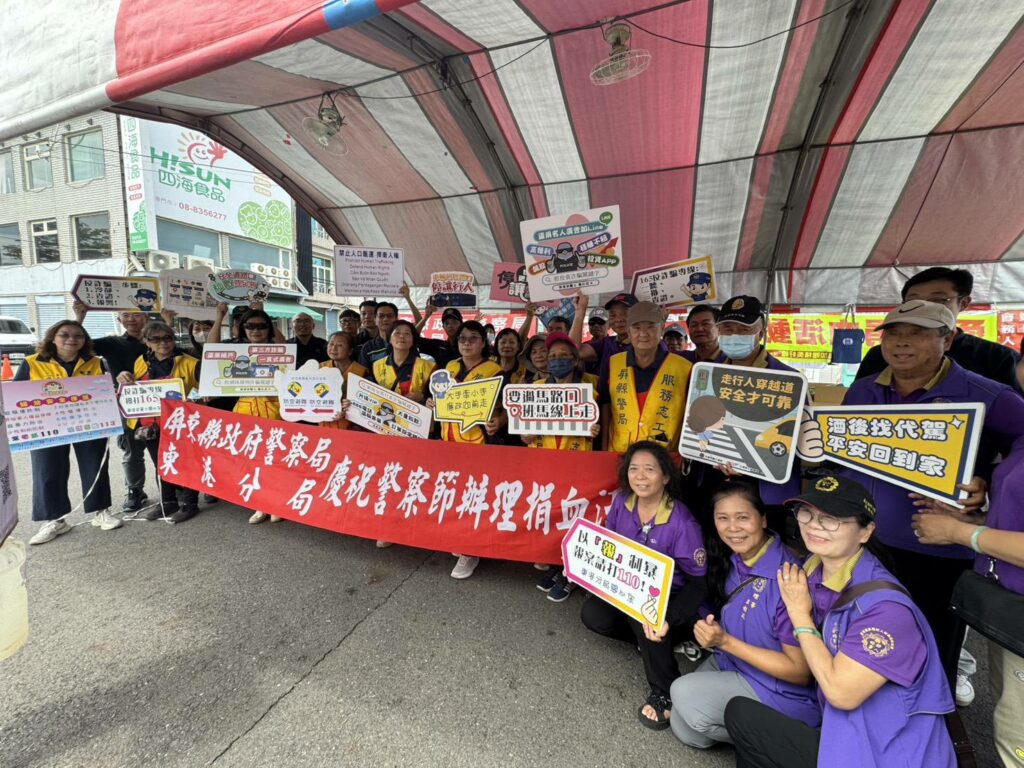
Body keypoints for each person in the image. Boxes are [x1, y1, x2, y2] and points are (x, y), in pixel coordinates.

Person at [831, 300, 1024, 683]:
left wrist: (984, 482)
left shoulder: (987, 395)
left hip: (941, 550)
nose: (902, 343)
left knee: (933, 646)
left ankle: (937, 731)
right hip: (869, 542)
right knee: (871, 637)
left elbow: (1020, 449)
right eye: (894, 334)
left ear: (948, 339)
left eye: (918, 333)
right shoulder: (864, 391)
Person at [724, 474, 956, 768]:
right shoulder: (811, 573)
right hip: (842, 730)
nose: (814, 525)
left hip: (882, 752)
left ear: (865, 531)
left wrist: (799, 614)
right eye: (807, 513)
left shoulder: (887, 611)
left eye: (832, 518)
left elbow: (840, 693)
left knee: (743, 716)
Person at [669, 482, 817, 749]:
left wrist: (724, 642)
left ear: (762, 519)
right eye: (722, 518)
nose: (732, 528)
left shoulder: (788, 579)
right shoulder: (735, 558)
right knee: (686, 729)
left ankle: (787, 741)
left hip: (779, 688)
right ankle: (751, 727)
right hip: (735, 662)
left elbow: (800, 672)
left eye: (742, 518)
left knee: (682, 693)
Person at [914, 436, 1024, 768]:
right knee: (1008, 722)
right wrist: (976, 519)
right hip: (1008, 612)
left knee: (1017, 737)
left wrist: (961, 534)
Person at [581, 442, 706, 730]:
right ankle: (656, 640)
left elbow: (699, 583)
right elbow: (608, 548)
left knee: (647, 618)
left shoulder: (682, 522)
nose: (640, 476)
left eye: (649, 469)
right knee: (593, 615)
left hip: (672, 597)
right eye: (634, 469)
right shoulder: (622, 502)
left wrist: (669, 618)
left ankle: (665, 692)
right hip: (632, 588)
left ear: (665, 477)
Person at [18, 321, 119, 544]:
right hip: (46, 428)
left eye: (78, 335)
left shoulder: (96, 362)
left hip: (89, 424)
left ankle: (100, 511)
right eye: (64, 335)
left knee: (95, 466)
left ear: (85, 340)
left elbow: (107, 390)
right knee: (47, 470)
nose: (71, 339)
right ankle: (55, 520)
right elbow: (16, 396)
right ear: (52, 338)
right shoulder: (32, 363)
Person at [855, 267, 1021, 391]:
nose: (925, 307)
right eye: (914, 301)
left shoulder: (999, 358)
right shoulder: (880, 356)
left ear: (963, 303)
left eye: (938, 300)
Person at [426, 320, 505, 580]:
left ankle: (470, 550)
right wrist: (431, 402)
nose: (467, 343)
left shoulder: (496, 371)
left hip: (478, 444)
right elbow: (440, 398)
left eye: (473, 338)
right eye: (462, 338)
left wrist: (500, 421)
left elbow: (507, 409)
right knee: (454, 495)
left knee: (473, 497)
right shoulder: (449, 367)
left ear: (484, 343)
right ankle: (461, 540)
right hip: (449, 441)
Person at [527, 333, 600, 602]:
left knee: (577, 519)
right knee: (553, 519)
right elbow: (524, 437)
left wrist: (595, 429)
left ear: (575, 359)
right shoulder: (534, 389)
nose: (557, 361)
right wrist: (527, 430)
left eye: (563, 356)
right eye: (552, 356)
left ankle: (572, 576)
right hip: (546, 465)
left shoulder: (592, 385)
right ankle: (559, 568)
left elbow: (602, 424)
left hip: (579, 464)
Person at [116, 321, 201, 523]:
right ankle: (167, 501)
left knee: (185, 463)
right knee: (161, 464)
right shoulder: (141, 362)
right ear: (146, 342)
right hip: (150, 424)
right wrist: (122, 376)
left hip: (180, 423)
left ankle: (190, 503)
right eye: (155, 339)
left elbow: (205, 389)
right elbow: (133, 387)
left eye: (167, 338)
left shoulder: (189, 362)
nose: (162, 343)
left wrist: (195, 399)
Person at [209, 304, 285, 525]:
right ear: (241, 329)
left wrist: (266, 314)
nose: (255, 330)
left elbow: (285, 347)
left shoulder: (277, 347)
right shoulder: (235, 348)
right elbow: (211, 349)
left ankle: (277, 504)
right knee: (251, 460)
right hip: (245, 412)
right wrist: (219, 316)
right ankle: (260, 505)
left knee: (275, 460)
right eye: (250, 326)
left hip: (275, 411)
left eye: (262, 326)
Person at [74, 303, 150, 515]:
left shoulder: (160, 338)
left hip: (163, 402)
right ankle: (135, 490)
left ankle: (176, 490)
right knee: (132, 449)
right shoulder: (112, 343)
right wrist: (79, 317)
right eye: (125, 315)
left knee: (168, 446)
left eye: (136, 314)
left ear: (145, 316)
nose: (131, 319)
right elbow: (76, 346)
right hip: (127, 404)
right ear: (119, 320)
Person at [601, 301, 691, 453]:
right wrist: (603, 450)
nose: (643, 334)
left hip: (664, 459)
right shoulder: (613, 363)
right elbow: (606, 406)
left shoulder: (684, 368)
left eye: (650, 326)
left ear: (662, 329)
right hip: (619, 455)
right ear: (629, 333)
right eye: (637, 328)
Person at [371, 320, 435, 404]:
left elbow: (436, 398)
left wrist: (423, 398)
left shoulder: (428, 367)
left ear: (413, 341)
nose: (402, 336)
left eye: (407, 333)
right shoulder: (377, 366)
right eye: (397, 333)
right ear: (390, 339)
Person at [319, 331, 367, 430]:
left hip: (352, 428)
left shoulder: (362, 372)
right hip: (324, 425)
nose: (333, 348)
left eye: (340, 345)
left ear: (350, 351)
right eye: (331, 344)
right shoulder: (320, 368)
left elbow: (366, 404)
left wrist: (351, 408)